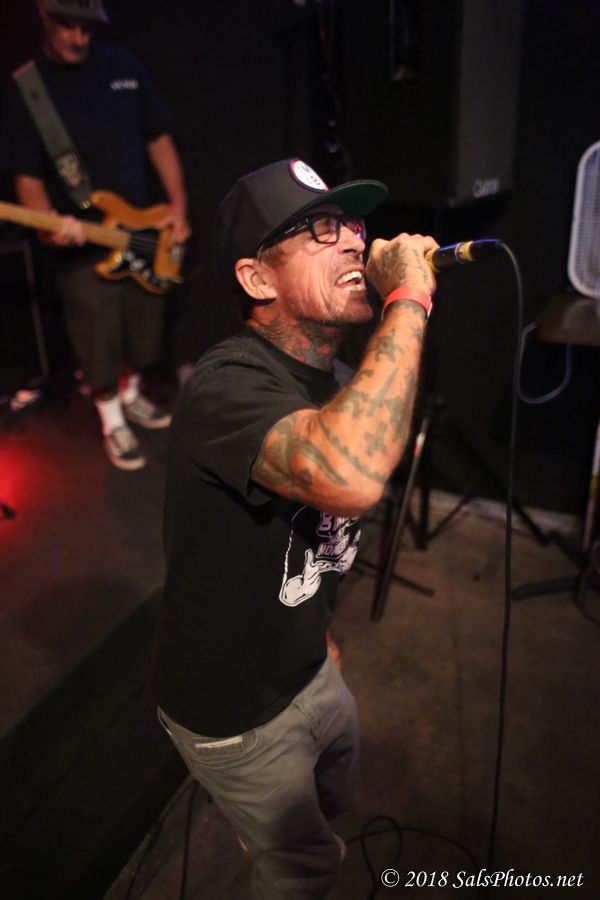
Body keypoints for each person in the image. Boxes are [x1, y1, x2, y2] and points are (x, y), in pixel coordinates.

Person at [154, 158, 438, 899]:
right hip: (235, 713)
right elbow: (350, 474)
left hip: (310, 665)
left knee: (335, 809)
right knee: (302, 872)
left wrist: (317, 635)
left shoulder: (341, 383)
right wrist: (408, 296)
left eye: (353, 224)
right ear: (257, 279)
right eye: (321, 229)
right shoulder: (226, 384)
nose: (354, 241)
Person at [0, 0, 191, 470]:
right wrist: (46, 223)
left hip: (141, 228)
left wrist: (178, 207)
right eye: (67, 26)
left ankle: (132, 395)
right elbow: (27, 175)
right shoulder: (28, 87)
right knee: (97, 335)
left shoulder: (123, 64)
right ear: (44, 16)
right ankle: (112, 419)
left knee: (145, 332)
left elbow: (159, 136)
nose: (78, 38)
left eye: (86, 28)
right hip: (80, 240)